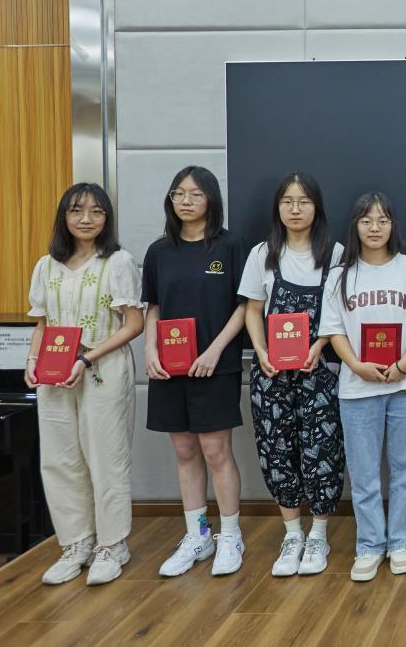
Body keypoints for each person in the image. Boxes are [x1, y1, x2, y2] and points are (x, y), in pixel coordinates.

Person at [26, 183, 143, 586]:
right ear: (64, 217)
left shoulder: (118, 262)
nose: (86, 219)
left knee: (106, 458)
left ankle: (112, 545)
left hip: (101, 369)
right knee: (59, 459)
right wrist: (32, 362)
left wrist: (87, 357)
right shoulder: (46, 266)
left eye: (96, 212)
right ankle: (76, 543)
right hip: (54, 373)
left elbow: (134, 324)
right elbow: (42, 324)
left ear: (107, 218)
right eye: (76, 211)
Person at [142, 166, 248, 578]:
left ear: (211, 200)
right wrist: (150, 348)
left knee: (216, 452)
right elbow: (153, 306)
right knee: (185, 452)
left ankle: (230, 535)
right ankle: (198, 534)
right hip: (169, 370)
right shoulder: (159, 251)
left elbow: (245, 306)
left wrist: (215, 350)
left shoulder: (230, 246)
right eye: (179, 194)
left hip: (215, 366)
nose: (186, 201)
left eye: (196, 194)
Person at [239, 173, 344, 577]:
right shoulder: (262, 254)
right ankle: (292, 534)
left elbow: (339, 314)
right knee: (276, 452)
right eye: (287, 201)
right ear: (277, 208)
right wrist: (261, 351)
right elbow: (252, 309)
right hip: (270, 373)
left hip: (319, 371)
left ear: (317, 207)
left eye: (303, 201)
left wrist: (319, 345)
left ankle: (318, 534)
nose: (295, 209)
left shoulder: (334, 254)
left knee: (322, 452)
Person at [321, 192, 406, 582]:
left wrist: (404, 362)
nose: (375, 228)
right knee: (364, 472)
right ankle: (369, 545)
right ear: (355, 226)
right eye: (366, 220)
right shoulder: (340, 275)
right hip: (357, 387)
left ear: (393, 225)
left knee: (405, 469)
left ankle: (399, 543)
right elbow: (333, 329)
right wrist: (356, 365)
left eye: (383, 220)